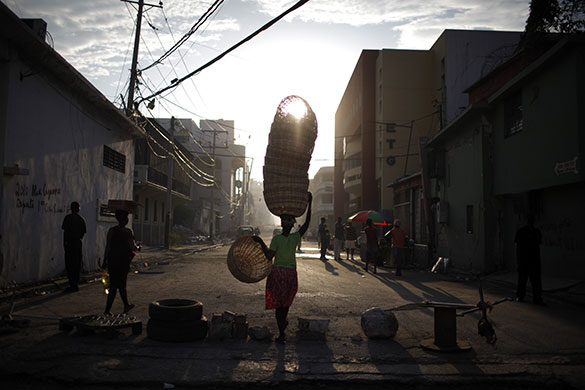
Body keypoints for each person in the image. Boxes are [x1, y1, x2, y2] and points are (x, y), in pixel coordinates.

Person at [254, 192, 312, 344]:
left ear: (287, 224)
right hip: (287, 273)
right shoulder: (291, 238)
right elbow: (306, 224)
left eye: (287, 221)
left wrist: (260, 242)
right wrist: (309, 204)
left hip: (280, 273)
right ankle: (281, 330)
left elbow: (268, 256)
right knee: (284, 303)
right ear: (290, 224)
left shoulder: (280, 239)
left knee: (281, 304)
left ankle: (282, 331)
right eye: (286, 221)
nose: (286, 223)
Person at [102, 209, 137, 315]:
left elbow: (107, 247)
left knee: (113, 285)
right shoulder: (128, 232)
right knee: (121, 285)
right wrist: (137, 247)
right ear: (124, 220)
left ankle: (116, 307)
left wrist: (105, 260)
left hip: (112, 261)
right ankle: (113, 309)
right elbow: (132, 247)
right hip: (123, 262)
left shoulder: (112, 231)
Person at [514, 214, 545, 305]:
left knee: (527, 280)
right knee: (528, 280)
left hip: (529, 260)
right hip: (529, 260)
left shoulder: (530, 232)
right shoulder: (530, 232)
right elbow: (518, 248)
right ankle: (531, 297)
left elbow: (518, 248)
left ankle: (528, 296)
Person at [61, 201, 87, 293]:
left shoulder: (68, 218)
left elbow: (65, 232)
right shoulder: (81, 219)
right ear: (78, 209)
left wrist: (65, 244)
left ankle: (71, 283)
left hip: (69, 243)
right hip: (77, 243)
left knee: (70, 264)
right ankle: (75, 283)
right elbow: (83, 232)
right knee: (77, 264)